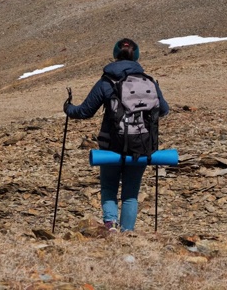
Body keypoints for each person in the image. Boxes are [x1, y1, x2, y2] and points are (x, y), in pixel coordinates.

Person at [63, 38, 170, 232]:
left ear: (114, 55)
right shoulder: (148, 82)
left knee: (109, 188)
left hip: (111, 145)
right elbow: (163, 110)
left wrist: (68, 108)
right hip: (141, 146)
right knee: (130, 194)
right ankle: (127, 233)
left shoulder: (106, 81)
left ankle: (110, 224)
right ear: (136, 57)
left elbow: (85, 111)